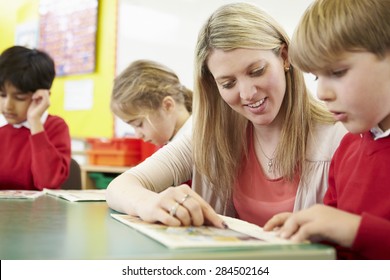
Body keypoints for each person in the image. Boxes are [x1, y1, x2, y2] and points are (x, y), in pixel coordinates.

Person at [106, 2, 346, 229]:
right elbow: (121, 187)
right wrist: (151, 203)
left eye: (256, 71)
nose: (247, 93)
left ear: (284, 57)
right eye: (228, 83)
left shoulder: (339, 135)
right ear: (214, 85)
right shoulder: (208, 136)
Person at [263, 0, 390, 260]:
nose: (321, 93)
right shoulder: (347, 148)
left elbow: (349, 230)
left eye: (338, 72)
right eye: (317, 77)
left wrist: (352, 229)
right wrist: (314, 231)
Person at [0, 45, 71, 190]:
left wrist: (35, 122)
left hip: (39, 212)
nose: (8, 106)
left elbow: (48, 182)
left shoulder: (55, 127)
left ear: (40, 96)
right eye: (2, 95)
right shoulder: (2, 131)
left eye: (19, 98)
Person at [111, 59, 192, 147]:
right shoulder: (177, 141)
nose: (138, 135)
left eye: (138, 124)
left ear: (168, 105)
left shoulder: (192, 143)